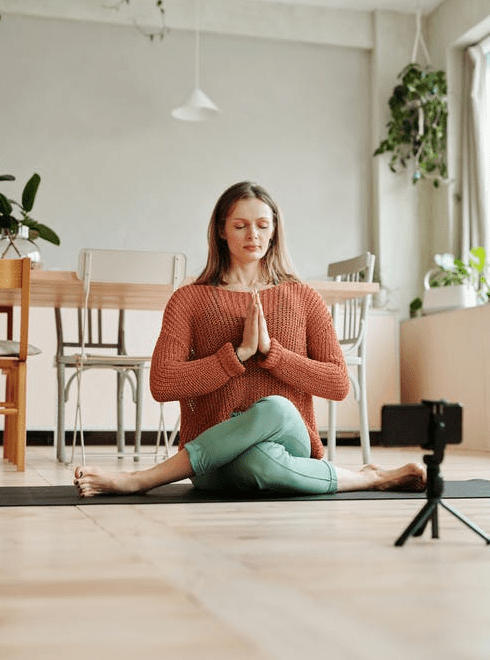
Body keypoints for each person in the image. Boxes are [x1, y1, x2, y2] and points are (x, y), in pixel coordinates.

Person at [74, 181, 425, 497]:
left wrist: (273, 353)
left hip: (288, 436)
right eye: (240, 226)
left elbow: (337, 383)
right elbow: (162, 383)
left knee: (275, 408)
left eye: (262, 226)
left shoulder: (303, 297)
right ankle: (369, 478)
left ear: (274, 232)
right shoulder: (189, 299)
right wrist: (236, 356)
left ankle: (141, 480)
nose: (252, 235)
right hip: (212, 459)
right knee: (260, 464)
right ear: (221, 231)